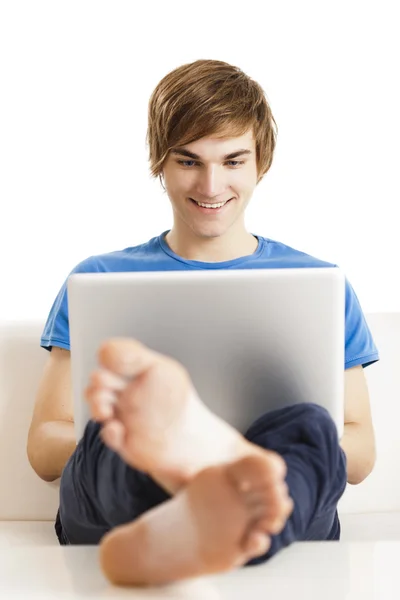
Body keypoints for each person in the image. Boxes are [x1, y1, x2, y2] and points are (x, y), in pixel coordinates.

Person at [27, 59, 379, 586]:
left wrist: (226, 446)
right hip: (123, 489)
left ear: (262, 164)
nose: (211, 184)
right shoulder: (98, 278)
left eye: (232, 160)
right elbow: (45, 448)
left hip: (260, 476)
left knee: (310, 427)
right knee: (110, 427)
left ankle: (198, 518)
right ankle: (186, 499)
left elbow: (361, 452)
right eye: (188, 161)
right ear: (159, 165)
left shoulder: (318, 281)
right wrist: (141, 438)